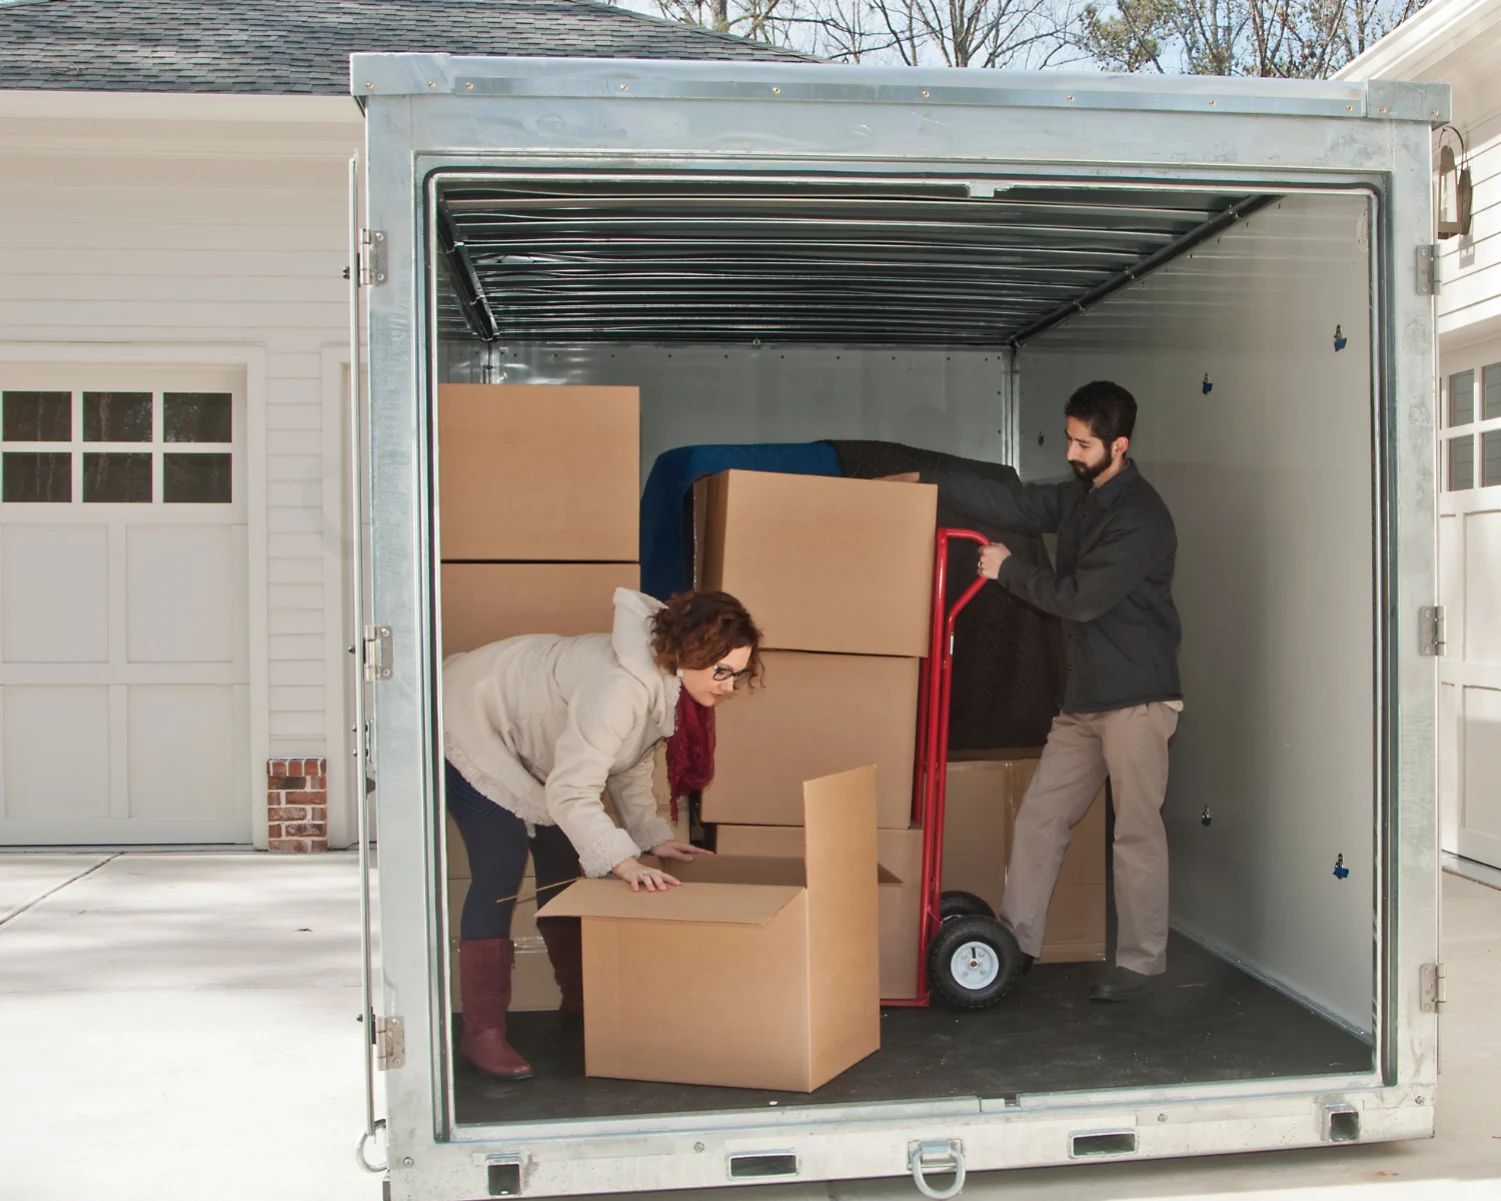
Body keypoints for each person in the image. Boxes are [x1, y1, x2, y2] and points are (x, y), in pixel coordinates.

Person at [889, 380, 1182, 1002]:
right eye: (1070, 439)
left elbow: (1080, 600)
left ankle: (1141, 968)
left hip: (1136, 700)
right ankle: (1015, 948)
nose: (1072, 453)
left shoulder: (1141, 519)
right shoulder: (1083, 499)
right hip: (1084, 703)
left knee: (1135, 835)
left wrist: (1007, 570)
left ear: (1119, 445)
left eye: (1083, 443)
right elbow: (1017, 503)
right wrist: (925, 481)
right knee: (1040, 819)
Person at [442, 588, 762, 1077]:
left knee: (563, 867)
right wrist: (623, 860)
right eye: (721, 671)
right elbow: (573, 791)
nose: (729, 686)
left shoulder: (663, 677)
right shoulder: (620, 687)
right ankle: (482, 1032)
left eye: (738, 674)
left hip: (530, 747)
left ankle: (580, 1000)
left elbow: (626, 761)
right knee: (500, 867)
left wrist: (651, 836)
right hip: (468, 720)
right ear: (691, 653)